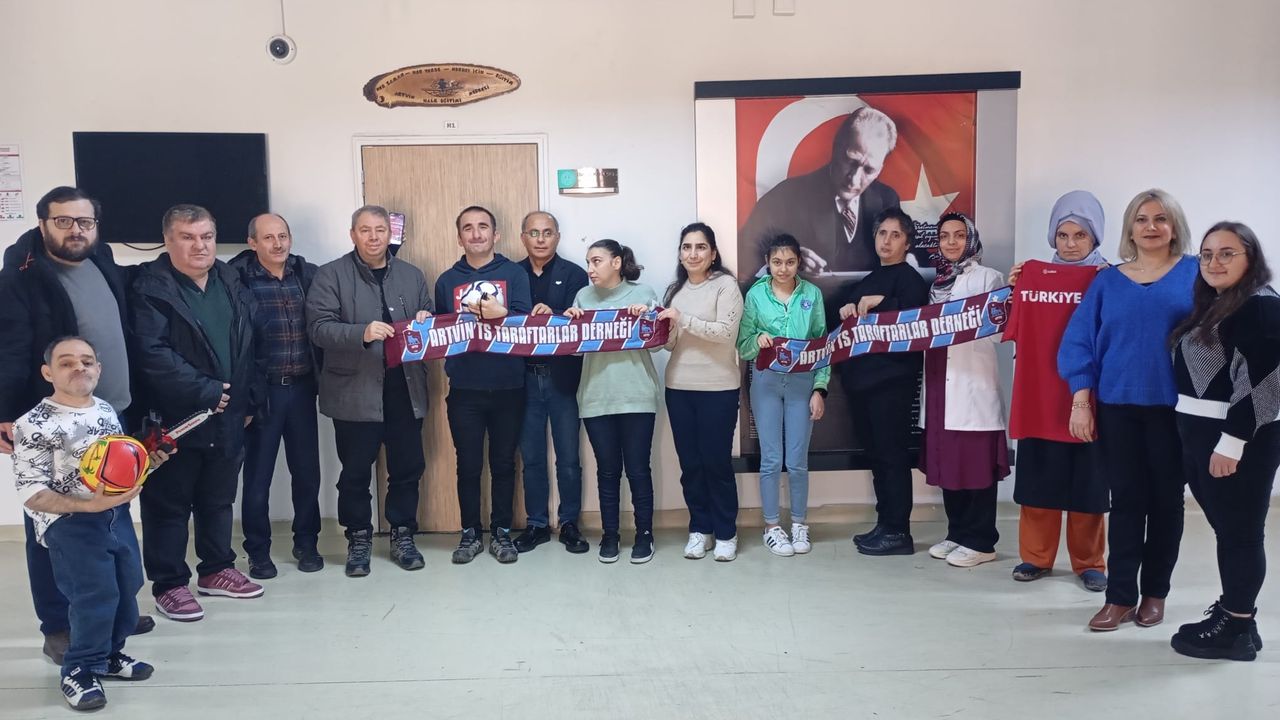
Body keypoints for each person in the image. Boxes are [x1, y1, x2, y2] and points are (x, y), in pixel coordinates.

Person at [0, 186, 152, 662]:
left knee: (110, 510)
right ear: (43, 223)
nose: (76, 230)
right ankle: (59, 625)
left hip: (109, 412)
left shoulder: (101, 258)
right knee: (52, 525)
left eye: (84, 222)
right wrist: (5, 410)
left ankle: (112, 608)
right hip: (55, 420)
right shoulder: (21, 275)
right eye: (63, 221)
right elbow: (9, 347)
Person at [1059, 188, 1198, 631]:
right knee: (1125, 503)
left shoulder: (1197, 274)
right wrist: (1081, 401)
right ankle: (1119, 597)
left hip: (1175, 411)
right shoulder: (1107, 282)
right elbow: (1079, 343)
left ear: (1174, 227)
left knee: (1166, 504)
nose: (1151, 226)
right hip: (1117, 407)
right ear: (1129, 230)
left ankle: (1155, 594)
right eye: (1141, 219)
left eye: (1160, 218)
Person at [12, 336, 166, 711]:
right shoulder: (32, 424)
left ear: (98, 368)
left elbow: (111, 467)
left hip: (116, 517)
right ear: (48, 372)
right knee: (94, 596)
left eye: (86, 361)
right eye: (66, 362)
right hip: (70, 526)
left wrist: (143, 464)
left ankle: (109, 655)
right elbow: (31, 492)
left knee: (127, 585)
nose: (79, 367)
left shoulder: (105, 409)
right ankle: (79, 669)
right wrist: (88, 505)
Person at [132, 204, 266, 621]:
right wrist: (205, 390)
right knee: (169, 504)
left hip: (229, 415)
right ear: (168, 240)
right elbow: (152, 353)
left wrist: (248, 399)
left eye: (206, 237)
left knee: (218, 498)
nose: (199, 246)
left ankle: (216, 569)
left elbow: (249, 342)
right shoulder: (150, 287)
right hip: (176, 418)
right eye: (187, 237)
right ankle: (170, 584)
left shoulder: (230, 279)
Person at [1169, 222, 1279, 661]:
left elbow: (1267, 383)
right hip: (1203, 438)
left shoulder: (1261, 306)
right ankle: (1239, 620)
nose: (1214, 262)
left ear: (1250, 257)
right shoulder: (1219, 304)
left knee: (1240, 535)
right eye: (1208, 253)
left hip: (1236, 443)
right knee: (1231, 532)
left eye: (1227, 253)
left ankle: (1235, 627)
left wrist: (1232, 443)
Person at [307, 205, 432, 577]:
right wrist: (360, 332)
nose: (374, 237)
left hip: (405, 390)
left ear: (389, 234)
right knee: (355, 472)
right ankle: (358, 537)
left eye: (380, 230)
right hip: (354, 392)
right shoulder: (330, 275)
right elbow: (318, 328)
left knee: (407, 468)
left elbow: (429, 317)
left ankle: (402, 534)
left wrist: (426, 319)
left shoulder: (412, 275)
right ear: (353, 235)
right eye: (365, 230)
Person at [1005, 191, 1110, 592]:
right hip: (1037, 396)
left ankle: (1090, 562)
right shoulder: (1030, 277)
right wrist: (1013, 290)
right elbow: (1006, 326)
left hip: (1088, 398)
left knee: (1089, 486)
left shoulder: (1109, 280)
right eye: (1063, 235)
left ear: (1095, 237)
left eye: (1080, 235)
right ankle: (1035, 557)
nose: (1070, 244)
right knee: (1038, 483)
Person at [434, 206, 533, 565]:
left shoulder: (515, 273)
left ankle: (502, 532)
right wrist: (424, 321)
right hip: (465, 389)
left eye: (482, 227)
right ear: (459, 237)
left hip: (509, 386)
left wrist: (503, 314)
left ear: (496, 234)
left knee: (504, 464)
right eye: (468, 228)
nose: (476, 234)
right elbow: (440, 329)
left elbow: (527, 325)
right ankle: (470, 534)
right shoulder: (446, 280)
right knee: (469, 465)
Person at [229, 213, 324, 578]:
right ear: (252, 243)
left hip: (302, 389)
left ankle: (307, 543)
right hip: (262, 393)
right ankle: (258, 552)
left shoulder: (307, 275)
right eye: (268, 238)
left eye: (283, 236)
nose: (278, 244)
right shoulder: (236, 279)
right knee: (258, 479)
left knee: (307, 474)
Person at [838, 208, 930, 556]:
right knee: (878, 458)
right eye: (882, 234)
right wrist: (847, 311)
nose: (887, 241)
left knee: (892, 458)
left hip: (892, 386)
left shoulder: (910, 280)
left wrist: (885, 304)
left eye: (895, 235)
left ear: (907, 242)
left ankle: (899, 532)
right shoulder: (870, 279)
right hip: (865, 385)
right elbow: (854, 323)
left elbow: (916, 323)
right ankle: (885, 524)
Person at [918, 213, 1008, 568]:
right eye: (944, 236)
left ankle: (982, 541)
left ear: (970, 239)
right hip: (939, 380)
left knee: (975, 466)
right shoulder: (936, 283)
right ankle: (956, 533)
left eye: (959, 235)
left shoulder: (989, 278)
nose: (951, 242)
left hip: (972, 385)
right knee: (948, 464)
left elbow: (1000, 333)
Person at [566, 240, 661, 563]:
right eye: (588, 262)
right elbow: (574, 351)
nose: (590, 269)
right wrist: (572, 325)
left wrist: (647, 319)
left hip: (637, 396)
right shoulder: (583, 297)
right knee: (607, 471)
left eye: (597, 261)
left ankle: (644, 534)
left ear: (617, 262)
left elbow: (658, 343)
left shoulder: (643, 293)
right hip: (596, 396)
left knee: (638, 469)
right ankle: (610, 535)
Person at [736, 234, 827, 556]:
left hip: (802, 385)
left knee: (797, 461)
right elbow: (743, 345)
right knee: (771, 460)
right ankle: (772, 526)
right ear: (767, 263)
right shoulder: (756, 295)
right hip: (766, 384)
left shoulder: (811, 294)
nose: (783, 269)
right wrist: (757, 339)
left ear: (798, 263)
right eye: (776, 262)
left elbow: (822, 345)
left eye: (789, 262)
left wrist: (820, 389)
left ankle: (799, 523)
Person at [659, 223, 744, 560]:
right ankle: (700, 529)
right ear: (680, 253)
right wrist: (661, 329)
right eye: (686, 247)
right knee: (691, 465)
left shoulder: (726, 286)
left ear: (713, 253)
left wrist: (683, 319)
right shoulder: (675, 291)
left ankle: (726, 533)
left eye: (700, 247)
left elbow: (725, 334)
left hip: (718, 388)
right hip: (679, 387)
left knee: (716, 463)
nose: (692, 254)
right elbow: (670, 344)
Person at [740, 106, 902, 274]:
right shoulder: (784, 198)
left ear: (880, 169)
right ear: (835, 148)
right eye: (851, 161)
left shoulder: (888, 200)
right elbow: (744, 256)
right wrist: (786, 262)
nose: (854, 179)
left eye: (868, 170)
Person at [513, 211, 590, 554]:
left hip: (564, 379)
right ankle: (537, 524)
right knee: (531, 458)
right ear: (523, 237)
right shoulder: (511, 274)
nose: (541, 239)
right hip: (524, 380)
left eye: (547, 232)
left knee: (568, 457)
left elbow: (579, 324)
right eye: (534, 232)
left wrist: (553, 318)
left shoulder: (574, 274)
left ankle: (569, 522)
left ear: (557, 237)